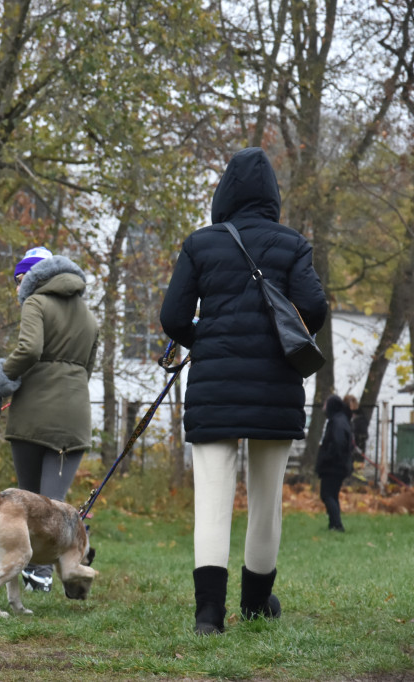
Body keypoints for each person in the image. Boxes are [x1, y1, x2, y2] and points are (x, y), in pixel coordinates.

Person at [159, 147, 328, 635]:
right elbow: (314, 308)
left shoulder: (200, 245)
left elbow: (172, 318)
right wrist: (282, 334)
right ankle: (255, 604)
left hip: (214, 386)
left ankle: (209, 615)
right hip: (276, 385)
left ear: (225, 194)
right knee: (266, 501)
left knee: (211, 501)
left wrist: (205, 340)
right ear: (272, 196)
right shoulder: (292, 244)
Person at [0, 246, 100, 593]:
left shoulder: (35, 303)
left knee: (30, 503)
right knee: (55, 504)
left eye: (21, 280)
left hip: (32, 414)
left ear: (35, 279)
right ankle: (61, 568)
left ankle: (41, 573)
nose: (19, 288)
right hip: (73, 418)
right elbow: (87, 370)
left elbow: (30, 350)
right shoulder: (91, 318)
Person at [316, 395, 354, 532]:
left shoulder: (337, 422)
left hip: (333, 466)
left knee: (327, 495)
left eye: (325, 404)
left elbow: (338, 444)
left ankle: (337, 525)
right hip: (338, 466)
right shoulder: (340, 420)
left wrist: (327, 457)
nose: (323, 408)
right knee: (332, 494)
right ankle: (334, 524)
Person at [343, 394, 369, 465]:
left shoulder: (360, 417)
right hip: (346, 449)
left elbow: (363, 434)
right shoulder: (343, 416)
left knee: (357, 467)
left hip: (357, 447)